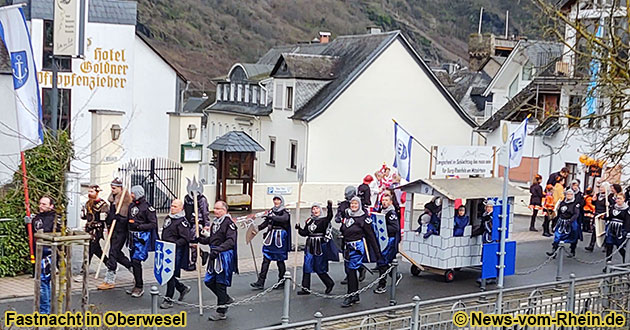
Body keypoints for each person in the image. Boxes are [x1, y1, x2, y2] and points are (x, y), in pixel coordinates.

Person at [199, 201, 238, 321]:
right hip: (214, 254)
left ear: (224, 210)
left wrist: (219, 249)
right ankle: (226, 299)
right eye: (214, 208)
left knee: (220, 283)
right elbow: (213, 239)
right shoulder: (216, 223)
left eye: (218, 209)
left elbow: (231, 241)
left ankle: (221, 311)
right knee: (209, 281)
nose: (215, 211)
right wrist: (201, 240)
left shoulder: (228, 223)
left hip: (223, 255)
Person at [339, 197, 381, 307]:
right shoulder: (348, 216)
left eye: (355, 204)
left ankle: (350, 295)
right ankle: (355, 295)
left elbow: (371, 236)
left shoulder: (364, 218)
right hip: (347, 247)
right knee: (348, 271)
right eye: (352, 204)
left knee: (352, 270)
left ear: (359, 205)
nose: (353, 206)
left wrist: (377, 253)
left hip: (357, 247)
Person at [295, 201, 337, 295]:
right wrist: (299, 229)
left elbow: (330, 216)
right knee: (307, 265)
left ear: (320, 209)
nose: (315, 210)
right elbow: (305, 233)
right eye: (313, 209)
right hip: (310, 244)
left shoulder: (324, 220)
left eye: (317, 208)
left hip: (319, 245)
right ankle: (305, 288)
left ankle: (329, 283)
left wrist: (329, 207)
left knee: (319, 266)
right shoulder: (309, 221)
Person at [98, 178, 132, 291]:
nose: (112, 190)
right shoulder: (112, 200)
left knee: (113, 252)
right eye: (111, 188)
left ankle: (110, 279)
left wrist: (120, 218)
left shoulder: (125, 201)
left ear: (120, 188)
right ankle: (132, 268)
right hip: (113, 230)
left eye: (114, 188)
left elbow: (127, 218)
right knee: (117, 254)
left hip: (121, 231)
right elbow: (111, 214)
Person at [250, 195, 291, 290]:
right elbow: (266, 223)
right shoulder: (271, 211)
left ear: (281, 201)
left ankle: (282, 280)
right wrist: (257, 229)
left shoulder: (285, 211)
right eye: (275, 199)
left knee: (280, 260)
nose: (276, 201)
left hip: (280, 237)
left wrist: (272, 217)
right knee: (266, 259)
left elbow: (284, 219)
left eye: (278, 199)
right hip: (271, 237)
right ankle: (261, 281)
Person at [125, 185, 158, 297]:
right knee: (133, 262)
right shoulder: (132, 205)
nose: (131, 195)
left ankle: (139, 286)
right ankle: (136, 284)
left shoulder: (147, 208)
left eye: (133, 193)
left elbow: (153, 224)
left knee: (136, 261)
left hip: (141, 238)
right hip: (131, 238)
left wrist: (139, 226)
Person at [159, 199, 192, 309]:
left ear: (181, 208)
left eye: (175, 206)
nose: (172, 208)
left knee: (170, 274)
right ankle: (182, 288)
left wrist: (174, 244)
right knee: (168, 273)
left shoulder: (182, 222)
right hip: (166, 249)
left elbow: (185, 238)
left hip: (175, 251)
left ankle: (169, 299)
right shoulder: (169, 218)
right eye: (172, 206)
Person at [74, 185, 109, 282]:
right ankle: (109, 264)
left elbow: (104, 219)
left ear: (97, 192)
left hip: (96, 231)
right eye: (89, 191)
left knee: (89, 250)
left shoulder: (103, 204)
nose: (89, 193)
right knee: (97, 250)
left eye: (92, 191)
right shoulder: (88, 203)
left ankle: (83, 272)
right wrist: (83, 213)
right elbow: (85, 217)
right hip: (89, 229)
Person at [32, 196, 59, 314]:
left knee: (44, 282)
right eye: (40, 204)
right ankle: (47, 308)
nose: (41, 206)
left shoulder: (55, 219)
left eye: (44, 204)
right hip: (39, 252)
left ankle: (45, 310)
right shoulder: (37, 218)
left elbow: (50, 232)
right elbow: (33, 232)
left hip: (49, 253)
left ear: (51, 206)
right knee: (44, 282)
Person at [373, 194, 402, 294]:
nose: (384, 202)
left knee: (383, 262)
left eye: (386, 200)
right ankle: (395, 275)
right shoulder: (381, 211)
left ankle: (382, 285)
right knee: (383, 263)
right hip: (383, 240)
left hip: (389, 241)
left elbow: (395, 228)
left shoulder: (391, 213)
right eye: (383, 200)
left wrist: (383, 229)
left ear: (390, 202)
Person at [547, 189, 581, 258]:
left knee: (574, 234)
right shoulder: (562, 202)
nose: (569, 196)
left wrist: (570, 221)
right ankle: (554, 251)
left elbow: (576, 214)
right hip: (561, 222)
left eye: (571, 194)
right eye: (568, 194)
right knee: (557, 236)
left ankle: (572, 250)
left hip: (570, 222)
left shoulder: (575, 204)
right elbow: (559, 212)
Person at [184, 190, 210, 271]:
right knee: (188, 242)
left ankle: (193, 262)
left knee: (193, 241)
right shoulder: (187, 198)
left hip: (197, 222)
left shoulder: (202, 199)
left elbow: (205, 212)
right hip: (188, 222)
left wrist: (206, 225)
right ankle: (202, 253)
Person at [604, 194, 630, 268]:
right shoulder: (613, 207)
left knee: (620, 248)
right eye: (617, 199)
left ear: (624, 199)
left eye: (620, 199)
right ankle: (608, 265)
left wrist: (626, 231)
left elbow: (628, 221)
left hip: (620, 230)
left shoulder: (627, 209)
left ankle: (625, 263)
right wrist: (606, 215)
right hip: (611, 229)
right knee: (609, 247)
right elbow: (609, 217)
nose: (618, 200)